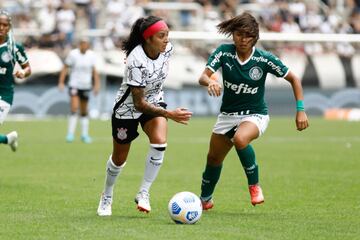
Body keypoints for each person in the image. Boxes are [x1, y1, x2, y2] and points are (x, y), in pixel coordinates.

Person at [198, 12, 309, 210]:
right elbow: (203, 77)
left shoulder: (264, 59)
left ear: (255, 38)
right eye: (239, 34)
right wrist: (211, 81)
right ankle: (205, 200)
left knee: (240, 139)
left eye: (248, 35)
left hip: (255, 114)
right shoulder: (224, 52)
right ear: (233, 35)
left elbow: (294, 79)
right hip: (227, 115)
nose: (243, 39)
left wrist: (300, 110)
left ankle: (254, 186)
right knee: (213, 158)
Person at [97, 15, 192, 216]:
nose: (167, 39)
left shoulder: (168, 50)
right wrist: (170, 114)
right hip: (128, 109)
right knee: (119, 159)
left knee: (159, 142)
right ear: (148, 39)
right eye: (161, 35)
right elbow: (139, 104)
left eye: (167, 34)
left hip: (155, 101)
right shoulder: (136, 61)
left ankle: (144, 192)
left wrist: (165, 112)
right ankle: (106, 195)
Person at [58, 38, 100, 143]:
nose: (84, 46)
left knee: (84, 110)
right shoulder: (73, 54)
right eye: (82, 44)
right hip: (75, 85)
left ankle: (84, 135)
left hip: (86, 85)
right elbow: (65, 67)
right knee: (74, 108)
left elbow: (94, 71)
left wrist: (96, 85)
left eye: (86, 44)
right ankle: (70, 134)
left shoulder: (92, 55)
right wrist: (61, 82)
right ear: (79, 44)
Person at [0, 10, 31, 151]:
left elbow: (28, 68)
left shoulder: (14, 48)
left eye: (5, 25)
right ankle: (8, 139)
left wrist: (23, 73)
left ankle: (8, 139)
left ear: (9, 27)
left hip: (4, 95)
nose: (1, 28)